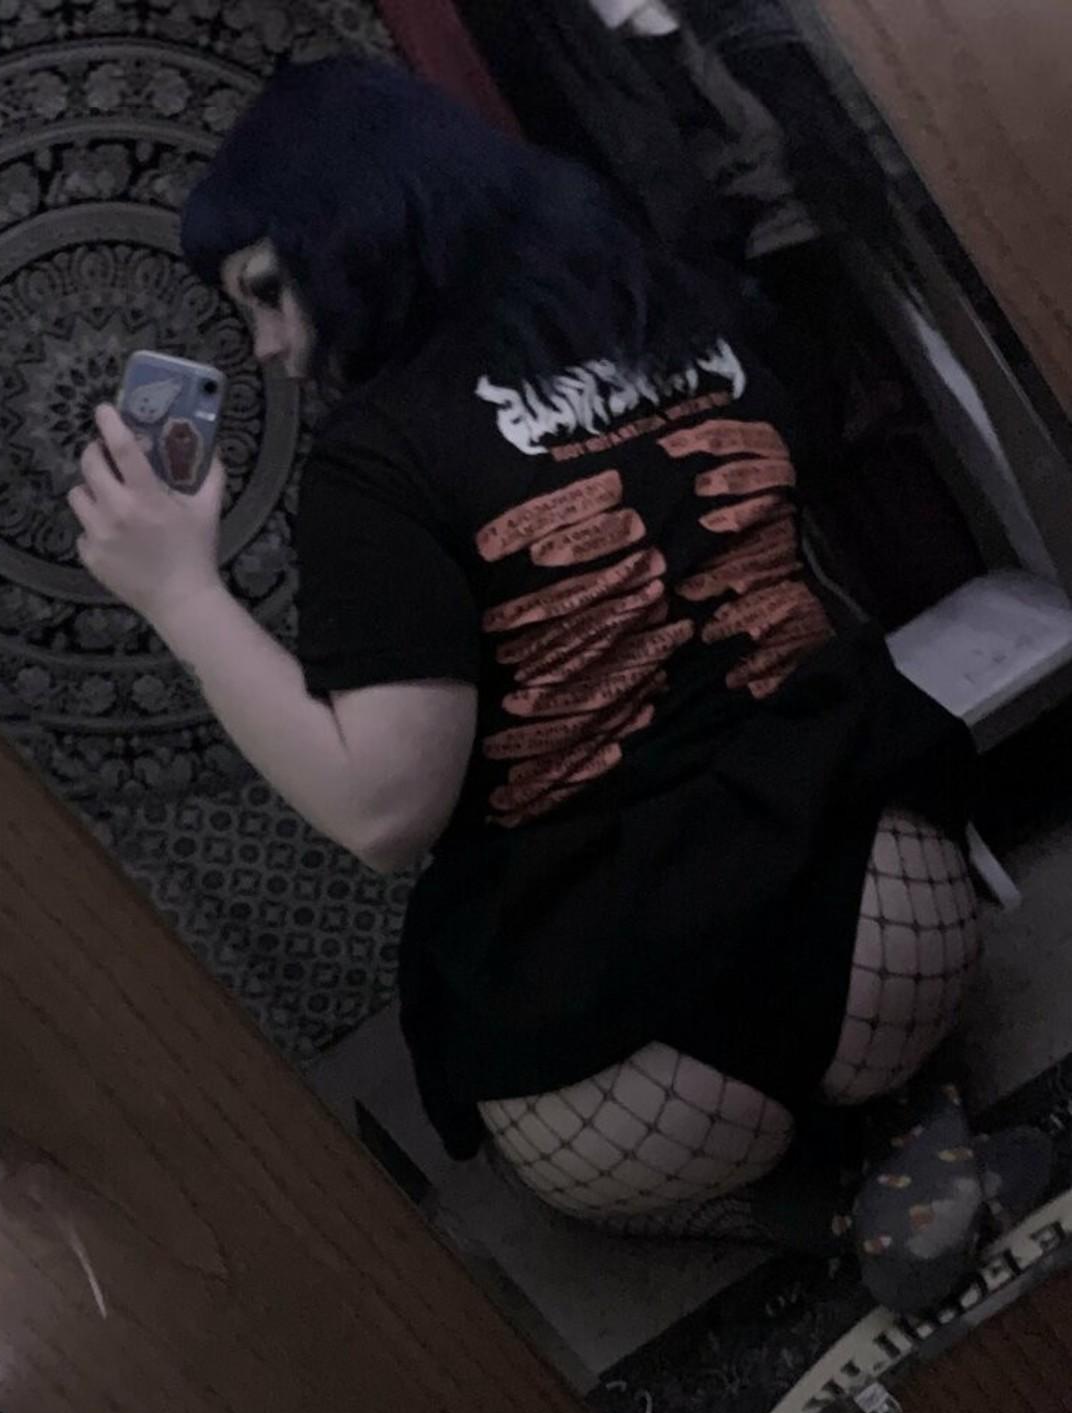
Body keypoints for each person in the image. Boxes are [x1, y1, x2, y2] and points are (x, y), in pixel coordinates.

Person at [71, 56, 1051, 1315]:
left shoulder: (382, 456)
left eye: (268, 290)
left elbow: (385, 810)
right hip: (896, 920)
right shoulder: (684, 317)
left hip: (650, 1044)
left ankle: (825, 1203)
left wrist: (180, 594)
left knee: (539, 1121)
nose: (267, 347)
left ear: (358, 223)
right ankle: (906, 1109)